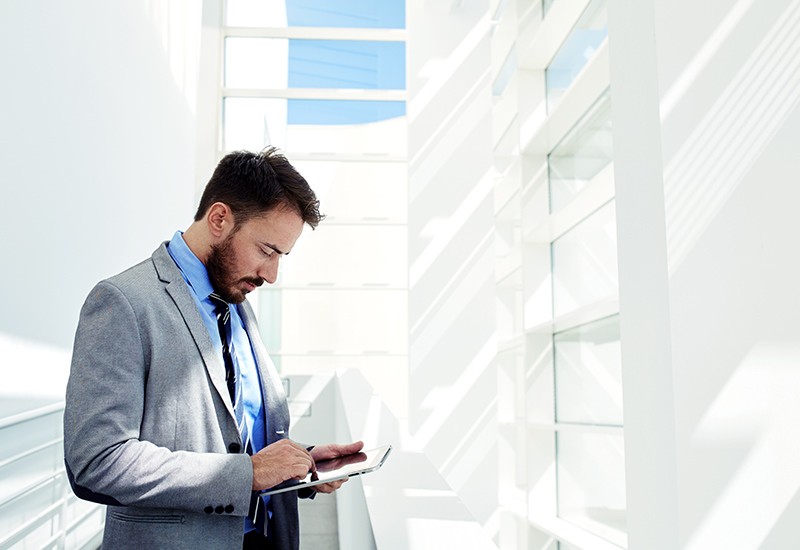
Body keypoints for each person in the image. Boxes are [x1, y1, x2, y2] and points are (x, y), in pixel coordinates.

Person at [64, 147, 362, 550]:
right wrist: (248, 473)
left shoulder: (236, 302)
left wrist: (299, 461)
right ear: (220, 218)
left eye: (281, 256)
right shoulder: (123, 303)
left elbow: (232, 434)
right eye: (267, 251)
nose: (271, 275)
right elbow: (97, 461)